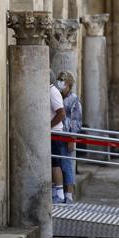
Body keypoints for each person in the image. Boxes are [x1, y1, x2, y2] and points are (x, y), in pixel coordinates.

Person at [56, 71, 82, 204]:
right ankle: (58, 191)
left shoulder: (73, 99)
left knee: (67, 165)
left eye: (63, 81)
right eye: (59, 80)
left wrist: (72, 138)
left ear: (69, 84)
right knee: (57, 164)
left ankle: (69, 194)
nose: (61, 83)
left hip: (66, 136)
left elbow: (76, 120)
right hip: (56, 135)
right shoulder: (57, 95)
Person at [50, 70, 66, 204]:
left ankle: (60, 194)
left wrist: (48, 126)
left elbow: (61, 113)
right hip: (51, 132)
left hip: (54, 132)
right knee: (51, 163)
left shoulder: (52, 91)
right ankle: (55, 191)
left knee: (55, 163)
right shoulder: (50, 90)